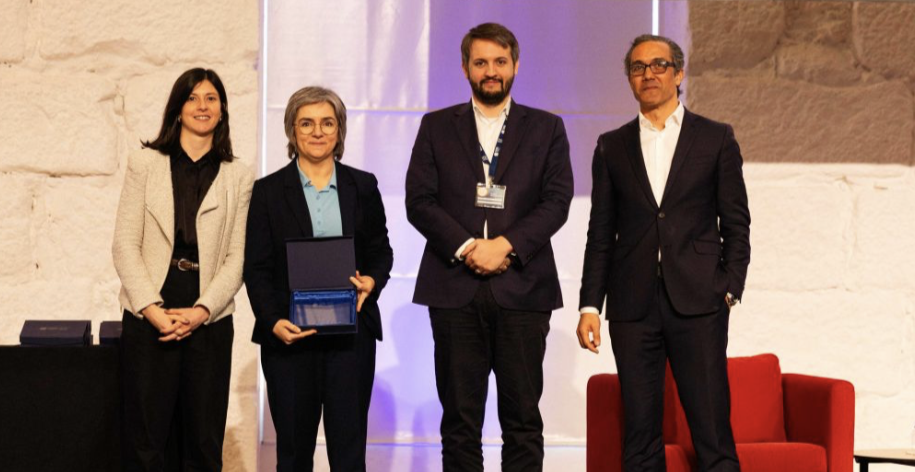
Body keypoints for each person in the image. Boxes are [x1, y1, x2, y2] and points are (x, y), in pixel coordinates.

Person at [577, 34, 751, 472]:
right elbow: (601, 233)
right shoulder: (611, 146)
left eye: (659, 65)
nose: (648, 74)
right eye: (638, 67)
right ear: (629, 79)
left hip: (700, 300)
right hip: (632, 305)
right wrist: (589, 305)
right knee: (640, 437)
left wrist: (729, 287)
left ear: (678, 73)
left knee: (712, 432)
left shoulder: (715, 138)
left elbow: (736, 222)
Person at [405, 22, 573, 472]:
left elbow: (557, 202)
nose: (491, 71)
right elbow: (419, 202)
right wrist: (467, 246)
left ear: (515, 65)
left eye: (500, 61)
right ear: (465, 68)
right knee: (460, 424)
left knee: (522, 423)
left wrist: (505, 246)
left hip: (523, 287)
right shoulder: (436, 126)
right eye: (481, 62)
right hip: (453, 289)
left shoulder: (547, 128)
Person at [244, 86, 393, 472]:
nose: (317, 132)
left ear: (339, 130)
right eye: (306, 123)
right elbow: (256, 267)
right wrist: (272, 320)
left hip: (350, 338)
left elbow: (381, 252)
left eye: (327, 123)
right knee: (293, 455)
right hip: (290, 339)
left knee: (349, 455)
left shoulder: (363, 186)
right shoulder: (267, 192)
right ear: (291, 131)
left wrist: (372, 282)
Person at [112, 68, 254, 472]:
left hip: (209, 315)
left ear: (222, 110)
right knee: (145, 441)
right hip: (150, 310)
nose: (202, 106)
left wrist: (202, 311)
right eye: (192, 98)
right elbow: (124, 244)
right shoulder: (145, 163)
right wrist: (152, 310)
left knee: (203, 444)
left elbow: (237, 258)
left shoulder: (239, 175)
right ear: (178, 108)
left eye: (211, 98)